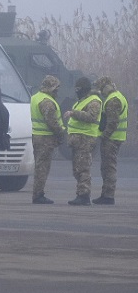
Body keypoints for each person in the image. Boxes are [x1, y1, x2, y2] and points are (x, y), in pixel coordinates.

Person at [64, 76, 103, 206]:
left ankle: (84, 195)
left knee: (83, 168)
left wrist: (73, 113)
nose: (76, 91)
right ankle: (80, 193)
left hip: (86, 139)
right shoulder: (81, 101)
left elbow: (91, 117)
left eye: (78, 89)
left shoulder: (94, 101)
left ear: (84, 89)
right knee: (77, 169)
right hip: (78, 140)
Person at [29, 75, 68, 204]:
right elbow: (52, 122)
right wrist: (61, 133)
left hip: (37, 136)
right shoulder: (47, 102)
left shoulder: (35, 97)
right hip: (45, 138)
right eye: (56, 88)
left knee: (40, 165)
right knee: (43, 167)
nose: (57, 91)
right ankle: (38, 195)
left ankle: (38, 193)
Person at [94, 76, 126, 205]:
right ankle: (106, 194)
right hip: (115, 138)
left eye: (101, 88)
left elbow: (112, 122)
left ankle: (108, 196)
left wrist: (104, 136)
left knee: (109, 167)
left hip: (112, 139)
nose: (100, 91)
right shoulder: (117, 96)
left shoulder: (113, 100)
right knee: (106, 166)